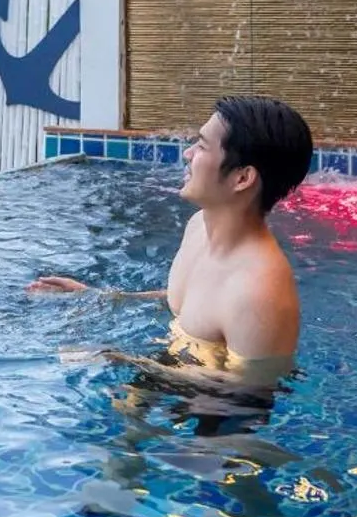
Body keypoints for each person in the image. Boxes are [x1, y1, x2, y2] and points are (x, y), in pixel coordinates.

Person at [30, 95, 313, 392]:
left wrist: (125, 361)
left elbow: (250, 388)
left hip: (215, 424)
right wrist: (104, 297)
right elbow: (190, 303)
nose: (188, 154)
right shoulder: (198, 228)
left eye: (202, 146)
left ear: (242, 178)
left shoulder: (258, 292)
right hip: (168, 373)